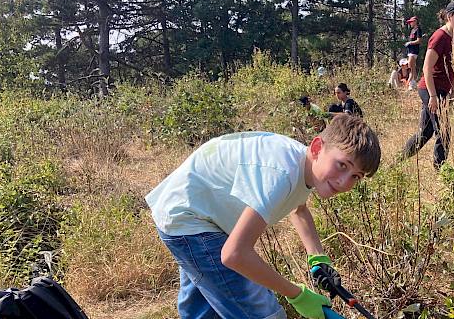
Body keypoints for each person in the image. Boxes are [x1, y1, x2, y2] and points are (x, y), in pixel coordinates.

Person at [145, 115, 381, 319]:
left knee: (204, 309)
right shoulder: (281, 173)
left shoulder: (304, 165)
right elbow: (234, 255)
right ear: (318, 147)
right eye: (342, 165)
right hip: (190, 220)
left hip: (193, 213)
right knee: (262, 313)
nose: (344, 181)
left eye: (356, 176)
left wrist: (317, 259)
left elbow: (298, 209)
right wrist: (297, 295)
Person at [401, 1, 454, 169]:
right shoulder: (440, 36)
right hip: (429, 88)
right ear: (449, 17)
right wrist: (432, 96)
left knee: (425, 133)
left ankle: (397, 161)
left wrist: (453, 91)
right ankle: (441, 171)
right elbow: (426, 67)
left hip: (441, 90)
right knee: (444, 131)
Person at [404, 16, 423, 90]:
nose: (410, 24)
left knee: (411, 66)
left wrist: (410, 43)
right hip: (410, 50)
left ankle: (411, 83)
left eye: (411, 22)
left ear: (415, 22)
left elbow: (419, 41)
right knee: (411, 66)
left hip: (414, 51)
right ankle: (413, 83)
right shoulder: (412, 30)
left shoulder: (418, 30)